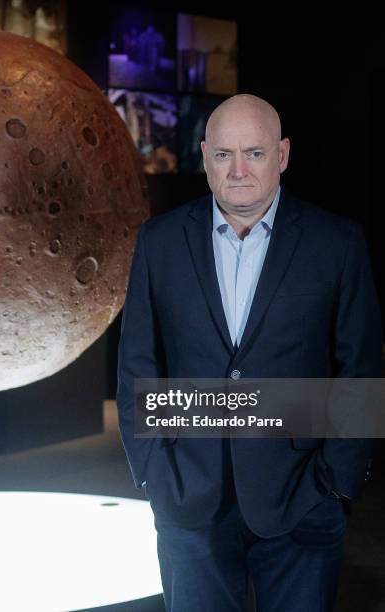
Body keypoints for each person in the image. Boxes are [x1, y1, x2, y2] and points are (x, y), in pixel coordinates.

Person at [116, 94, 383, 611]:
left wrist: (336, 483)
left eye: (255, 154)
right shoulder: (160, 242)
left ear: (282, 155)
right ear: (204, 156)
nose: (238, 171)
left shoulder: (337, 243)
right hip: (188, 498)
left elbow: (361, 371)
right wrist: (151, 471)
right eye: (224, 155)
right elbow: (138, 366)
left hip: (302, 497)